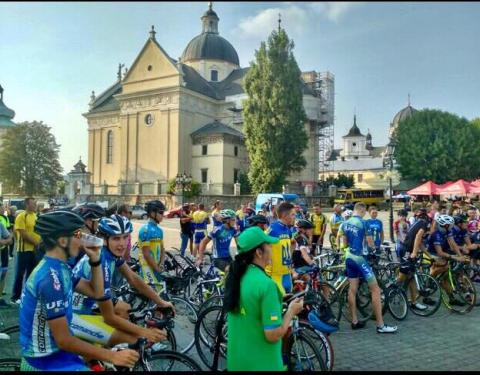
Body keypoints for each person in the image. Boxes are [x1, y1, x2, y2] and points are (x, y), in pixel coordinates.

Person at [19, 210, 139, 371]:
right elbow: (64, 340)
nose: (83, 240)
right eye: (77, 235)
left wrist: (95, 261)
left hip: (58, 353)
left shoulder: (61, 267)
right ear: (62, 241)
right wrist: (112, 356)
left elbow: (96, 292)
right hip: (43, 360)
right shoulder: (50, 278)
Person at [71, 214, 169, 347]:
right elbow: (109, 317)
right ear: (105, 239)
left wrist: (160, 301)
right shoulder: (102, 261)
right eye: (116, 238)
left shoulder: (110, 253)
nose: (122, 244)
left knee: (125, 309)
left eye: (125, 237)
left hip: (89, 303)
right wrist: (144, 332)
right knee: (130, 340)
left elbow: (133, 278)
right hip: (75, 315)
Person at [225, 226, 304, 371]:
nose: (272, 247)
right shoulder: (267, 285)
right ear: (259, 252)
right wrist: (291, 312)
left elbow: (250, 308)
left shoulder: (236, 276)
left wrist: (278, 300)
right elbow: (272, 335)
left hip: (238, 362)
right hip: (263, 363)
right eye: (268, 244)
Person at [341, 202, 397, 333]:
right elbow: (371, 243)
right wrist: (375, 249)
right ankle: (380, 325)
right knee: (376, 289)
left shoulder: (345, 223)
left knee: (352, 289)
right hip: (360, 259)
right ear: (362, 210)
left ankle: (354, 321)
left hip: (349, 257)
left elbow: (344, 243)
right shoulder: (364, 223)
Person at [426, 215, 467, 305]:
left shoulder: (447, 231)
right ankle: (429, 281)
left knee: (445, 279)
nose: (452, 226)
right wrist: (456, 257)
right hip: (432, 254)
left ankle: (451, 299)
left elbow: (453, 244)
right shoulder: (436, 234)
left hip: (442, 252)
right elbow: (440, 253)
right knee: (444, 266)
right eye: (451, 224)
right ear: (445, 225)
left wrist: (461, 256)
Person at [396, 208, 431, 311]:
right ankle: (390, 290)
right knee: (404, 275)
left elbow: (420, 242)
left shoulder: (419, 222)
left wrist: (429, 255)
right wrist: (415, 252)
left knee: (411, 276)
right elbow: (418, 238)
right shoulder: (424, 223)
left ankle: (414, 302)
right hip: (406, 250)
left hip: (409, 250)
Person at [11, 197, 41, 305]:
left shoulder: (35, 216)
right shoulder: (21, 216)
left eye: (35, 203)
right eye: (33, 204)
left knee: (31, 274)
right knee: (20, 273)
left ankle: (27, 295)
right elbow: (23, 234)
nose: (35, 205)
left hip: (34, 250)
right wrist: (36, 242)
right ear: (27, 205)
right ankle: (15, 297)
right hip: (23, 250)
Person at [265, 202, 296, 295]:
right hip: (274, 275)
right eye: (292, 214)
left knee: (289, 303)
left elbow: (290, 246)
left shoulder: (288, 229)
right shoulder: (272, 229)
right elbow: (262, 247)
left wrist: (292, 249)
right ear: (284, 215)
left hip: (287, 274)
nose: (295, 217)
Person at [137, 200, 167, 286]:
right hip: (146, 267)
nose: (163, 215)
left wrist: (161, 264)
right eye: (161, 213)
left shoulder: (160, 230)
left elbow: (162, 250)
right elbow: (146, 254)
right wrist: (157, 268)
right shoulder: (145, 230)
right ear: (152, 213)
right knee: (153, 296)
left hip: (157, 267)